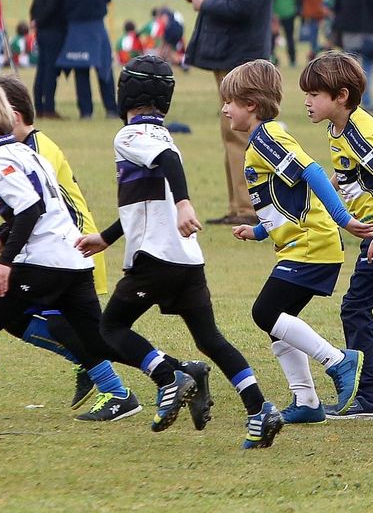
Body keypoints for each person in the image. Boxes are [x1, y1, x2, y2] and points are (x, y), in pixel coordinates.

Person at [75, 55, 286, 449]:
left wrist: (185, 204)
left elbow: (169, 171)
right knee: (210, 338)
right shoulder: (164, 135)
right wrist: (106, 238)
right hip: (187, 258)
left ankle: (171, 376)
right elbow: (146, 201)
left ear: (125, 94)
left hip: (156, 257)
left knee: (107, 331)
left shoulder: (130, 136)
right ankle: (260, 409)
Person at [0, 81, 131, 436]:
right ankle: (168, 371)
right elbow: (30, 210)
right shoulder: (24, 149)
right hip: (68, 250)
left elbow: (32, 208)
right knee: (54, 327)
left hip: (66, 249)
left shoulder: (11, 155)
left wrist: (5, 259)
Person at [220, 59, 373, 424]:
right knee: (278, 320)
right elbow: (286, 201)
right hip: (301, 245)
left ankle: (338, 361)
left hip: (312, 245)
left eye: (230, 101)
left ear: (251, 105)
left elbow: (312, 172)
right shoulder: (260, 142)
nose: (224, 109)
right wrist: (258, 231)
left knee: (265, 313)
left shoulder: (267, 138)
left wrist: (343, 218)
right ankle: (305, 401)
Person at [297, 51, 373, 422]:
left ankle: (368, 398)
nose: (306, 102)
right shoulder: (338, 129)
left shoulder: (357, 131)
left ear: (341, 96)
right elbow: (348, 177)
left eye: (314, 94)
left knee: (354, 307)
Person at [180, 0, 275, 226]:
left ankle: (248, 207)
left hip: (241, 57)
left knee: (240, 133)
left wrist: (205, 2)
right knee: (231, 131)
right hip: (234, 56)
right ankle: (239, 206)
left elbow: (245, 7)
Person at [59, 0, 116, 119]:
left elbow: (62, 2)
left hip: (75, 28)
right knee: (104, 69)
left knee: (80, 71)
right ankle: (111, 109)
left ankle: (85, 111)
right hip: (96, 26)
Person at [29, 0, 68, 119]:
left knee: (42, 69)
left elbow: (34, 6)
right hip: (53, 31)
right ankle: (49, 108)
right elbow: (51, 7)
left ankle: (39, 106)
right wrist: (41, 21)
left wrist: (35, 21)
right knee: (50, 71)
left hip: (42, 31)